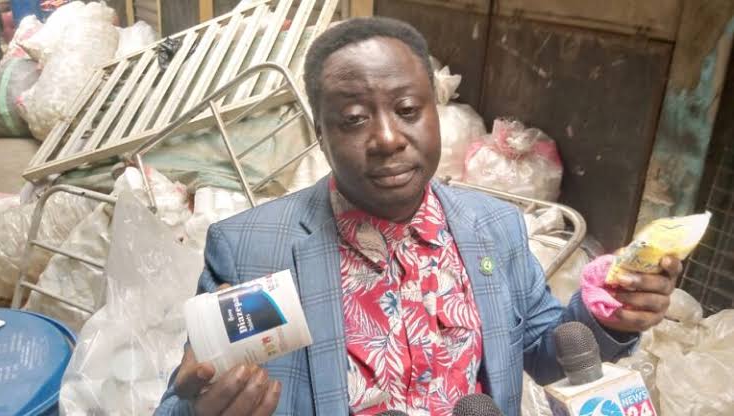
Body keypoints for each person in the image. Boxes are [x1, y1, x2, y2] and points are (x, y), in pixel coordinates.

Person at [154, 17, 681, 416]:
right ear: (321, 134)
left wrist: (607, 316)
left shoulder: (493, 227)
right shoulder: (253, 249)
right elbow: (190, 390)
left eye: (407, 110)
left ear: (435, 113)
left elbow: (543, 352)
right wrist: (199, 410)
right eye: (353, 119)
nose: (387, 138)